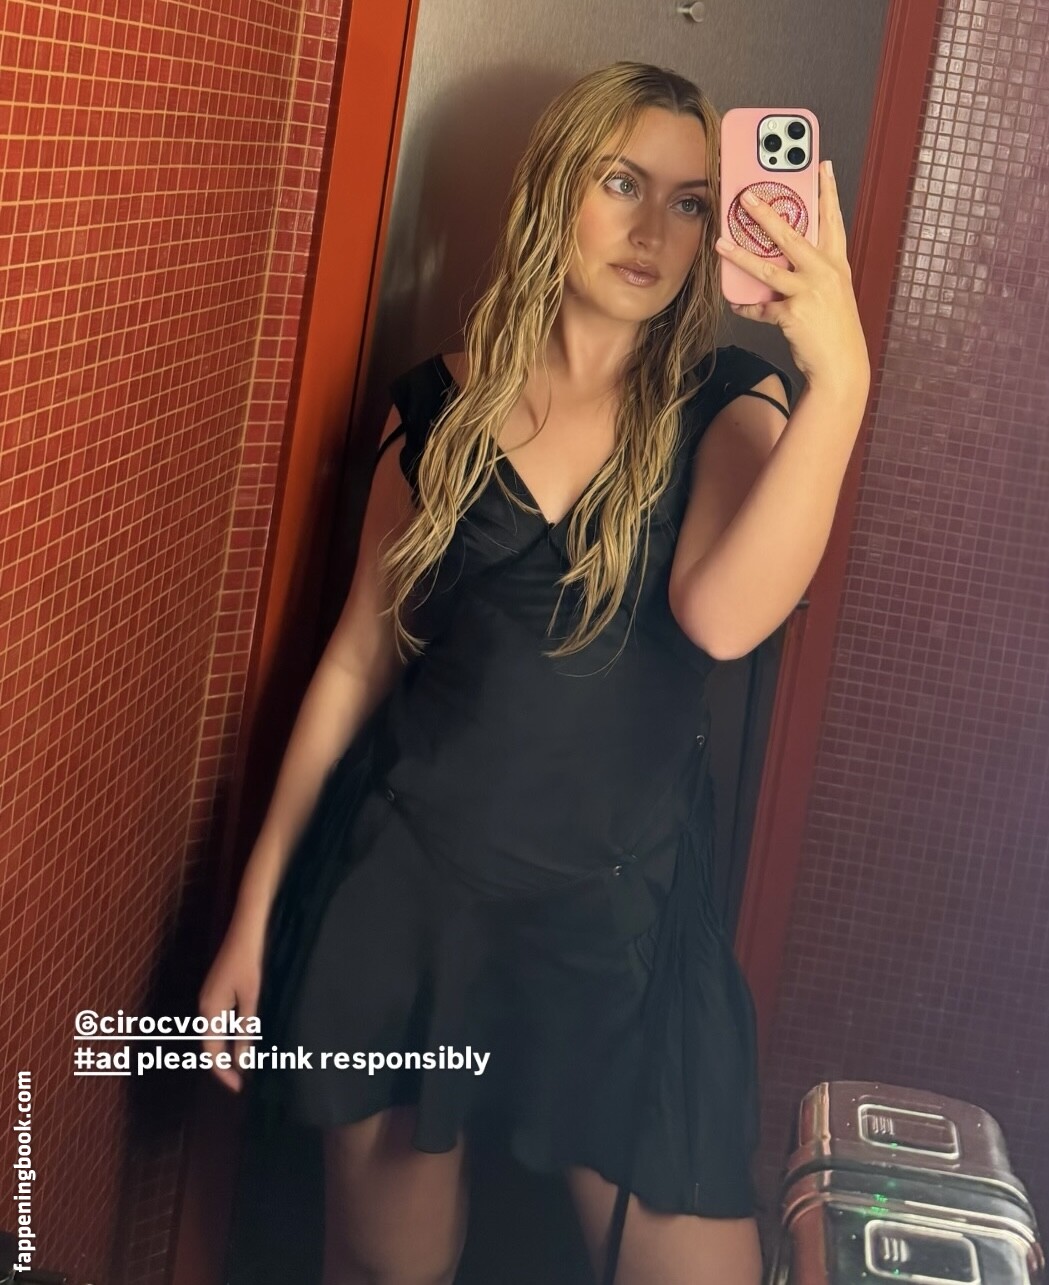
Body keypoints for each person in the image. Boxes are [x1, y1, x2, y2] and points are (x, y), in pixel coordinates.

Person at [200, 60, 869, 1285]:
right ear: (553, 188)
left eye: (687, 201)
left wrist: (841, 384)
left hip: (611, 928)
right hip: (413, 897)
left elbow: (722, 619)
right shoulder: (437, 410)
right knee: (386, 1269)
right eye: (620, 182)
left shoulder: (730, 404)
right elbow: (355, 659)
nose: (652, 229)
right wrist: (253, 911)